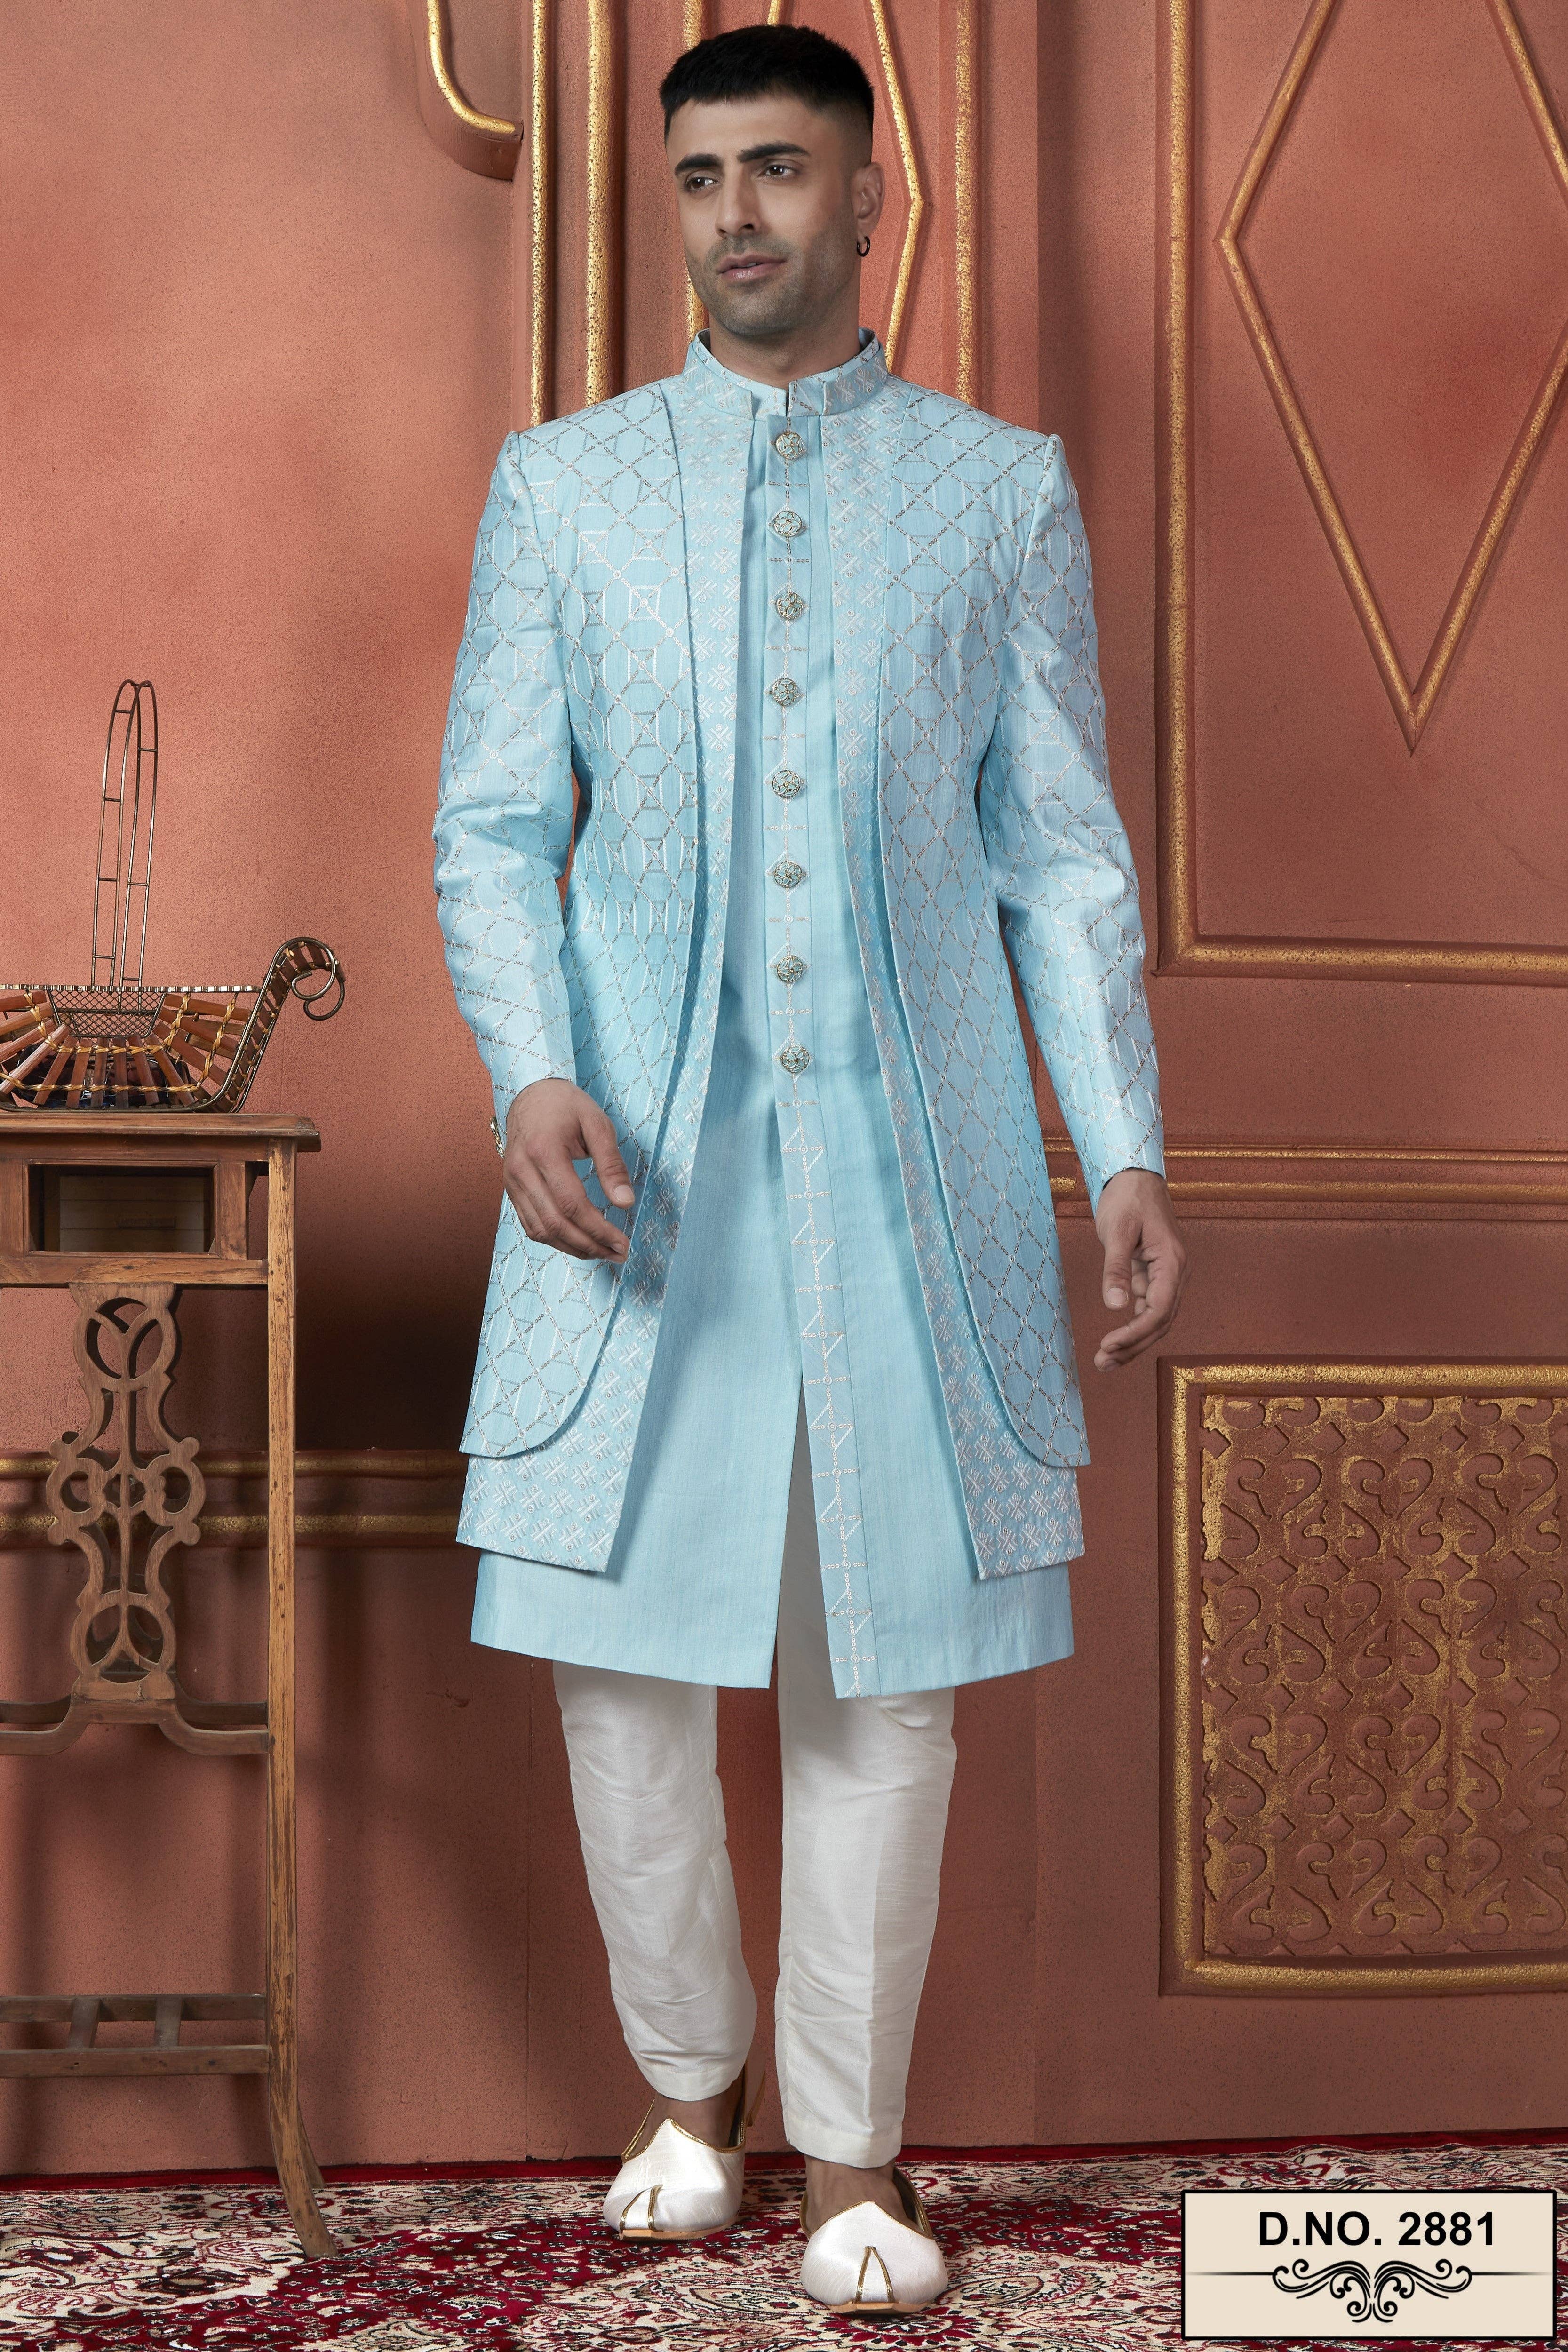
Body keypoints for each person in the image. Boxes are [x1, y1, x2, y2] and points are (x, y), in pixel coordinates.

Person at [433, 22, 1186, 2315]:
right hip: (636, 1189)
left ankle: (857, 2151)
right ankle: (692, 2093)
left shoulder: (999, 492)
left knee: (890, 1676)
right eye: (701, 177)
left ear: (870, 198)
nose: (736, 213)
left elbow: (1059, 856)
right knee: (619, 1665)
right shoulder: (564, 485)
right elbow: (494, 825)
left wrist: (1122, 1145)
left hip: (905, 1180)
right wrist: (528, 1069)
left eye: (778, 170)